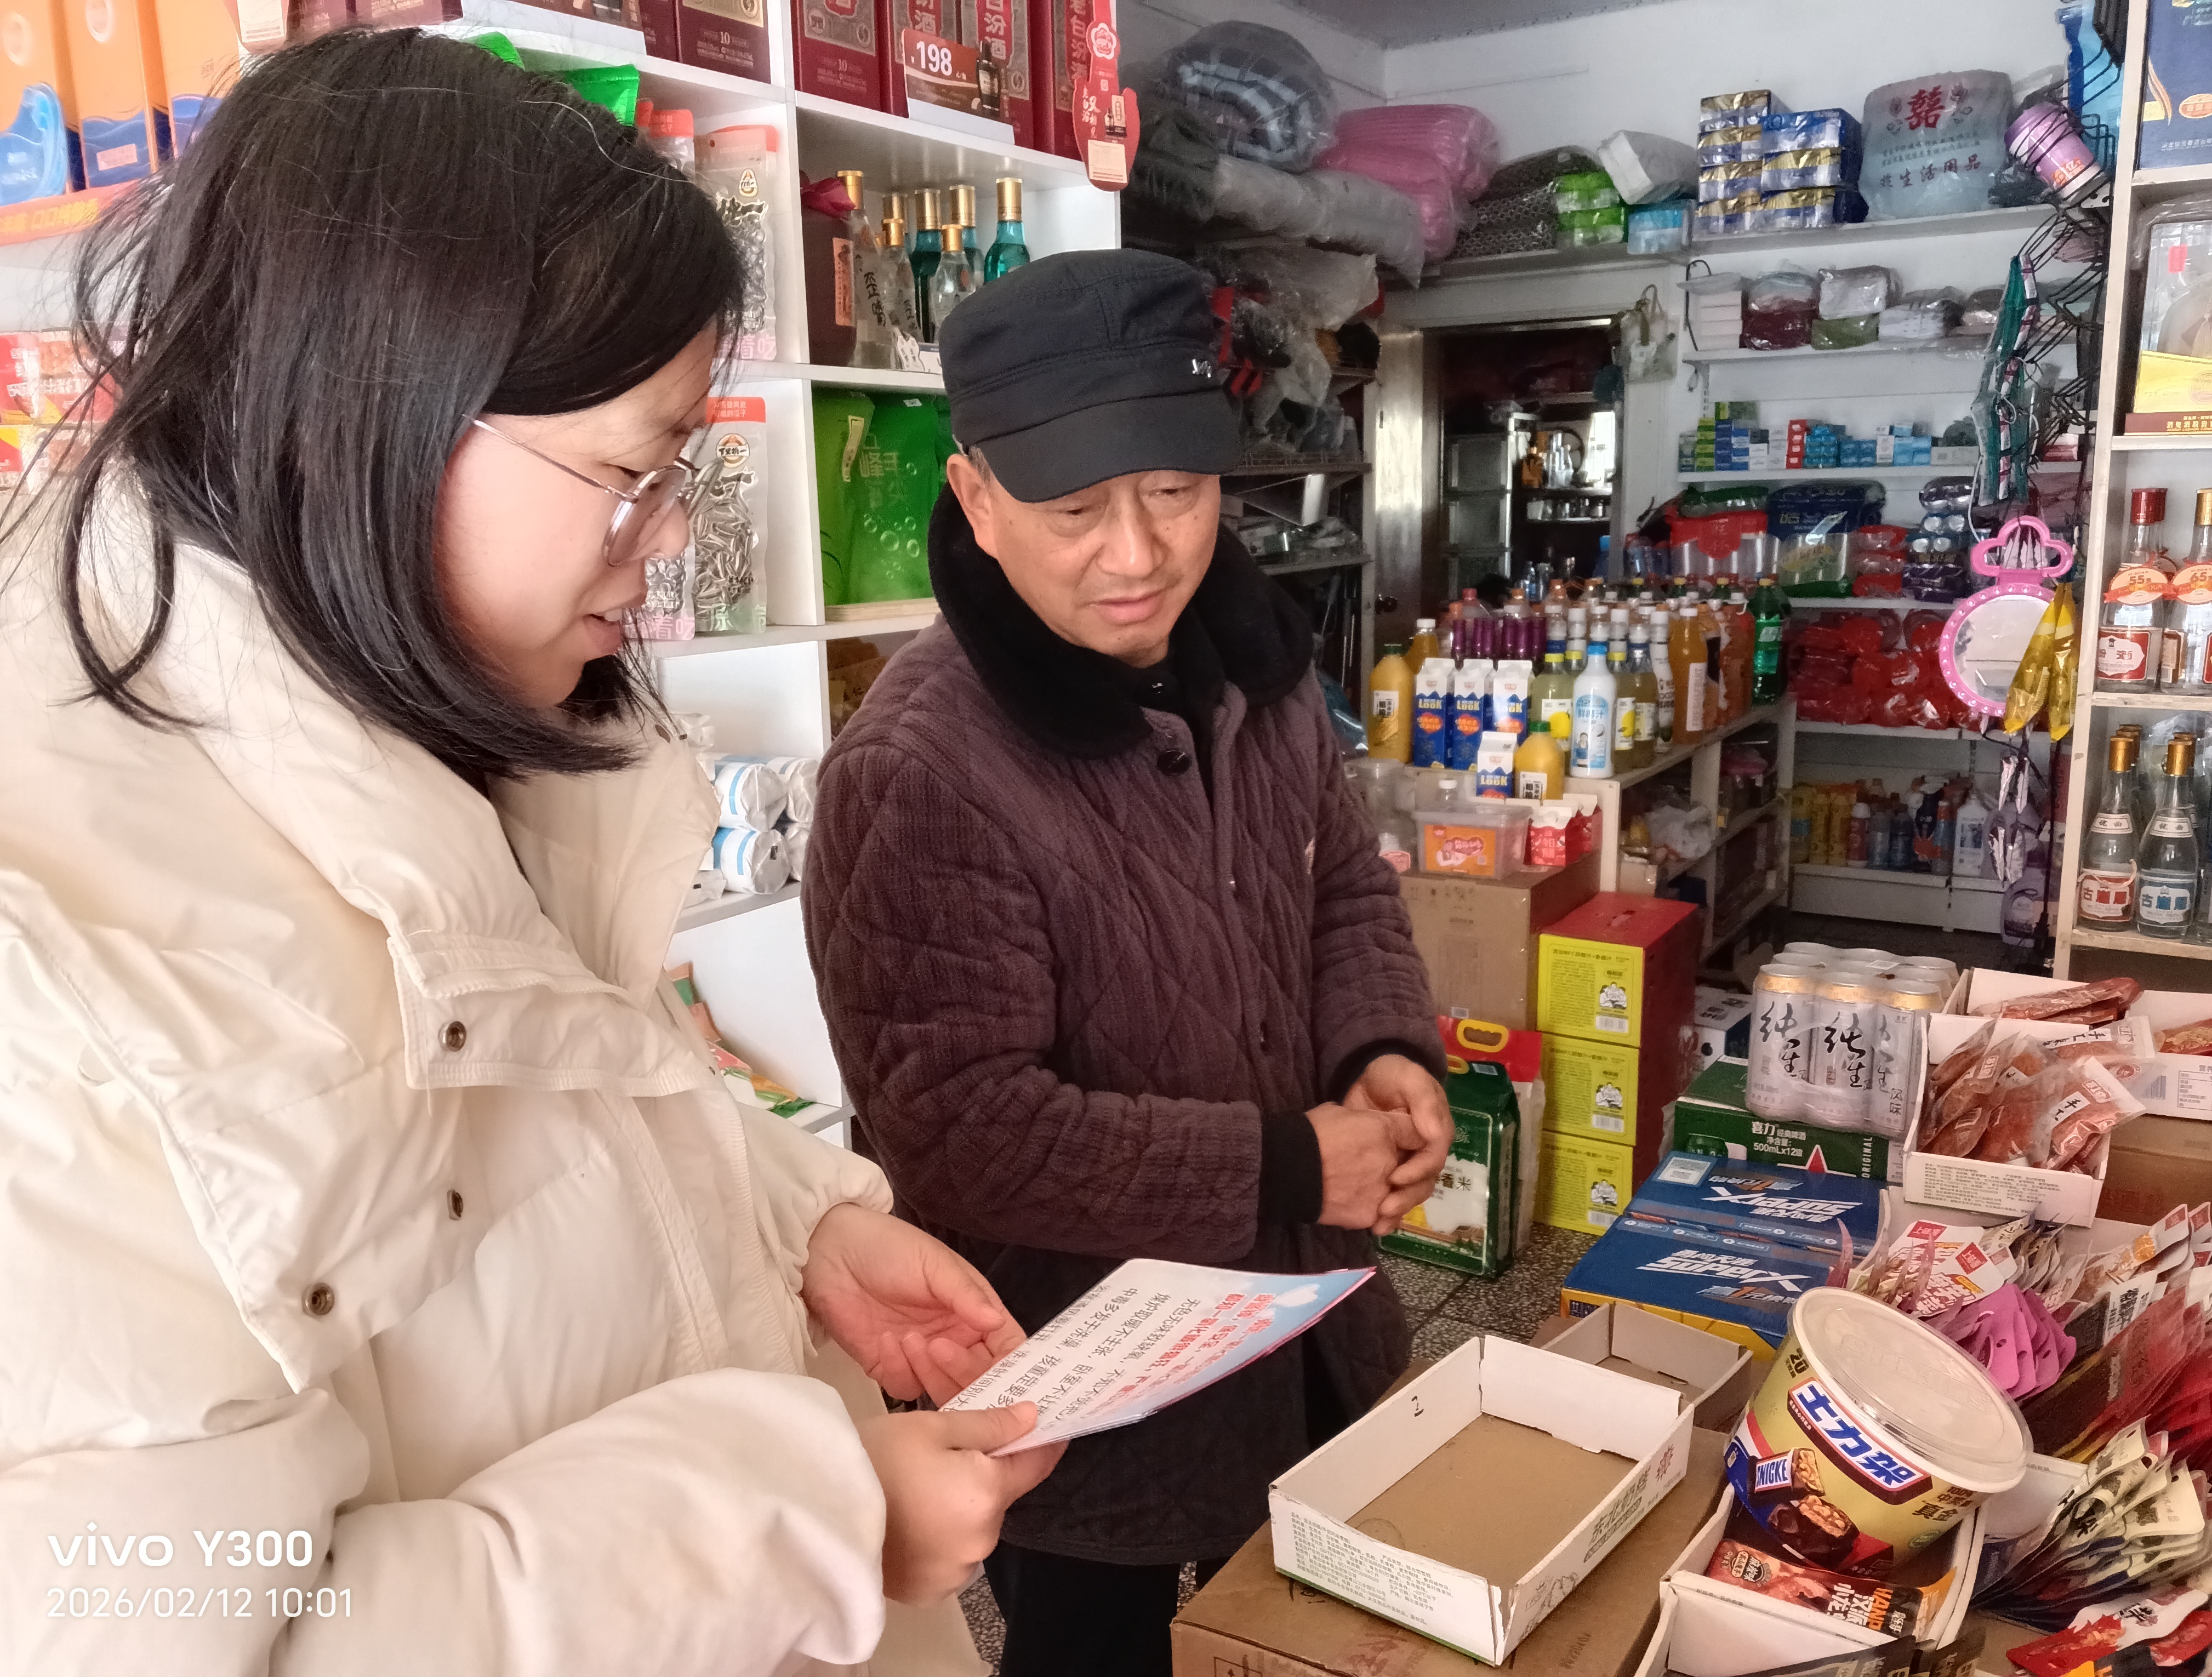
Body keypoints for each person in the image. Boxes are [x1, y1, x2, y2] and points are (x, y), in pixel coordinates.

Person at [0, 31, 1061, 1676]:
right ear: (364, 412)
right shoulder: (59, 968)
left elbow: (547, 1114)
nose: (666, 542)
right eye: (633, 474)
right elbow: (182, 1629)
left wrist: (790, 1224)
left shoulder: (452, 720)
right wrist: (809, 1524)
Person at [805, 250, 1452, 1677]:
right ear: (976, 497)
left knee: (1319, 1635)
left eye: (1174, 491)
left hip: (1305, 1325)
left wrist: (1380, 1051)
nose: (1138, 552)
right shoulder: (919, 769)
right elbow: (963, 1127)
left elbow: (1341, 889)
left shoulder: (1259, 670)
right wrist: (1290, 1163)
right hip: (1083, 1389)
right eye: (1075, 509)